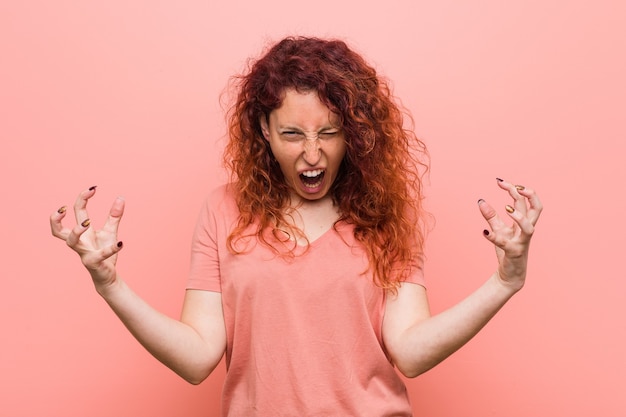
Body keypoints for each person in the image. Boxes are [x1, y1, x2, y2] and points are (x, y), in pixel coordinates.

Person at [50, 37, 542, 416]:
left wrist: (505, 283)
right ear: (264, 130)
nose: (312, 154)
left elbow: (410, 352)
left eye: (329, 133)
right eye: (292, 134)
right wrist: (110, 285)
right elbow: (198, 357)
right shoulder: (224, 210)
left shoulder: (384, 213)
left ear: (353, 133)